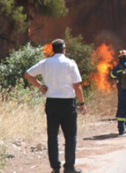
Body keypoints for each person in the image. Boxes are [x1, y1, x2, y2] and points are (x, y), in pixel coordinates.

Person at [24, 38, 86, 173]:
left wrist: (41, 87)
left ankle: (55, 168)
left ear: (52, 49)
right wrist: (82, 103)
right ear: (64, 49)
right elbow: (77, 86)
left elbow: (28, 75)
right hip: (67, 103)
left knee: (52, 136)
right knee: (70, 137)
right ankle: (69, 167)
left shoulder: (45, 63)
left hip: (51, 103)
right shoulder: (70, 63)